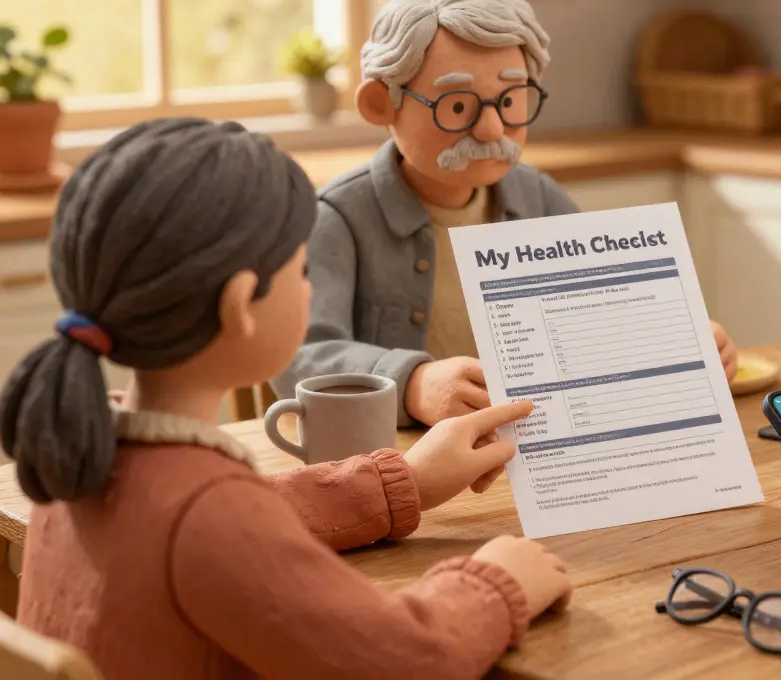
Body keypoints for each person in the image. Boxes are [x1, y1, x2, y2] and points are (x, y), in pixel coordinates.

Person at [0, 118, 571, 679]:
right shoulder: (209, 514)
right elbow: (404, 660)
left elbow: (242, 514)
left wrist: (406, 482)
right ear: (243, 305)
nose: (308, 288)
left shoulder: (79, 446)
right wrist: (496, 584)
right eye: (302, 270)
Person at [273, 0, 739, 429]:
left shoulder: (539, 197)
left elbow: (600, 314)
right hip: (403, 469)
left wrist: (676, 345)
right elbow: (297, 355)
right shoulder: (335, 218)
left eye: (511, 100)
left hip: (532, 451)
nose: (492, 130)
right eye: (458, 106)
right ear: (382, 104)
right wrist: (412, 383)